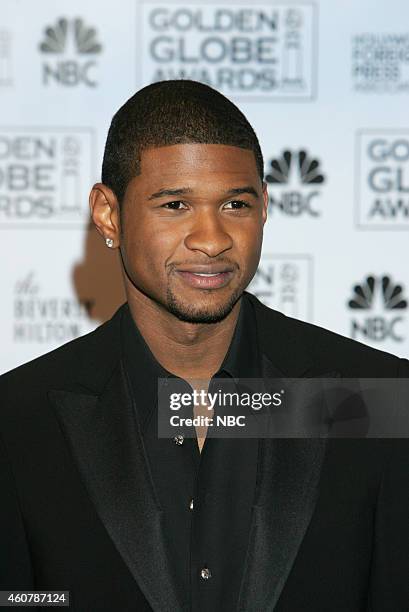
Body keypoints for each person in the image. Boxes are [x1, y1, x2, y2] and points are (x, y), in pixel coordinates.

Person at [0, 79, 408, 612]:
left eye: (235, 204)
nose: (212, 239)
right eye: (175, 205)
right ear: (108, 214)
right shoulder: (20, 420)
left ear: (264, 206)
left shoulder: (375, 399)